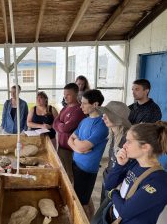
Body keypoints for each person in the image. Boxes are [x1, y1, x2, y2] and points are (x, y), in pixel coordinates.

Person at [99, 122, 167, 224]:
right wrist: (119, 164)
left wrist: (113, 193)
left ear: (145, 147)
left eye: (129, 142)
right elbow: (108, 184)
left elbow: (125, 211)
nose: (124, 145)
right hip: (112, 215)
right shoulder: (135, 163)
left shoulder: (159, 181)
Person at [68, 89, 108, 219]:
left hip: (87, 170)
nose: (81, 106)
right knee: (84, 198)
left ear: (95, 104)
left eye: (84, 103)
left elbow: (82, 144)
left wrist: (78, 144)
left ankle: (86, 220)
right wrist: (79, 149)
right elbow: (70, 140)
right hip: (76, 163)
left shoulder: (101, 125)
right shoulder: (84, 121)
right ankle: (91, 219)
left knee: (82, 202)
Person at [96, 101, 131, 203]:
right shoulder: (113, 133)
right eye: (104, 115)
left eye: (108, 115)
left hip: (117, 183)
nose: (103, 118)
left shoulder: (127, 138)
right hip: (109, 176)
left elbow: (126, 168)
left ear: (117, 118)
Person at [53, 83, 85, 179]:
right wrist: (62, 125)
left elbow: (66, 129)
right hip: (61, 146)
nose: (65, 97)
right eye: (64, 95)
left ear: (76, 94)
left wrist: (61, 125)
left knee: (69, 174)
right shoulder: (65, 108)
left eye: (68, 95)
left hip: (71, 149)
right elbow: (55, 123)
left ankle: (71, 193)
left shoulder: (78, 110)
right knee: (63, 172)